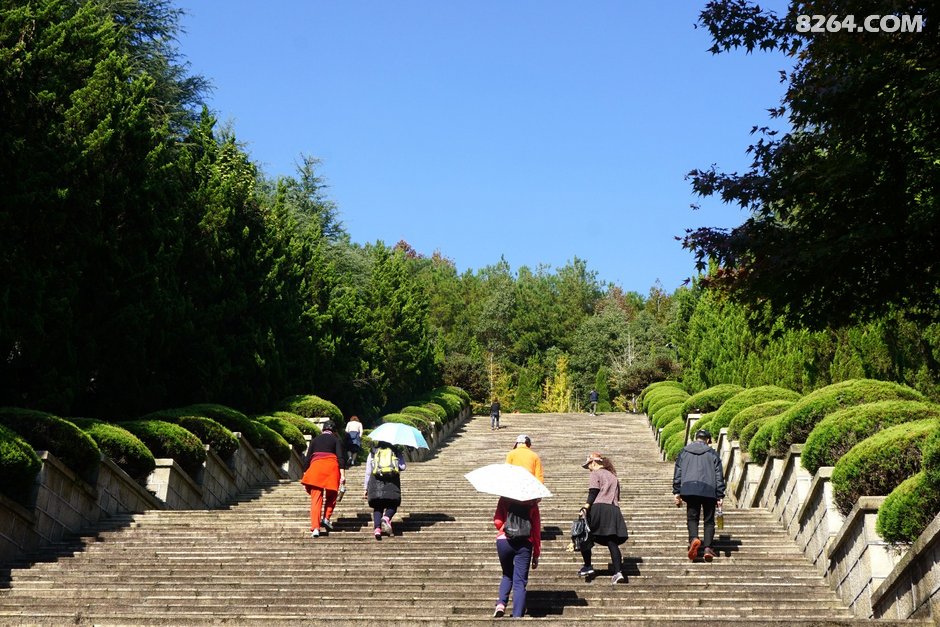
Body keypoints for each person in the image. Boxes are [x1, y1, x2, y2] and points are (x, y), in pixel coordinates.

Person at [673, 428, 726, 562]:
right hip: (709, 490)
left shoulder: (684, 452)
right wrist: (720, 495)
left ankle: (694, 539)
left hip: (689, 489)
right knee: (709, 520)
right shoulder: (713, 453)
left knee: (692, 518)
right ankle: (708, 548)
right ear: (708, 440)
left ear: (696, 438)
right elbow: (719, 475)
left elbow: (678, 472)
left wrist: (677, 491)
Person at [577, 452, 629, 584]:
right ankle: (618, 572)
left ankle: (588, 565)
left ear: (593, 463)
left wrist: (586, 506)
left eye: (589, 465)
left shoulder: (595, 473)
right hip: (613, 509)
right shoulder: (613, 476)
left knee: (585, 535)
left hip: (599, 507)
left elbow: (593, 491)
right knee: (611, 540)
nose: (589, 469)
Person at [492, 497, 541, 618]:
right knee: (519, 581)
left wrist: (506, 526)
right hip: (524, 543)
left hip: (504, 541)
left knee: (507, 574)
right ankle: (517, 616)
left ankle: (501, 605)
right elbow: (536, 530)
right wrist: (536, 554)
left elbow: (497, 522)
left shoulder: (504, 499)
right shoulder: (532, 503)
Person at [300, 420, 347, 537]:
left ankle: (315, 528)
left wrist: (305, 472)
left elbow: (307, 458)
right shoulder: (336, 440)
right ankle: (326, 518)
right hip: (331, 468)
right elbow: (340, 458)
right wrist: (343, 475)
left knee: (316, 499)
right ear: (334, 431)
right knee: (332, 495)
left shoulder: (315, 440)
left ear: (323, 430)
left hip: (316, 468)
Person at [364, 440, 407, 540]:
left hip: (376, 482)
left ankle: (377, 529)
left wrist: (366, 487)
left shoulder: (373, 451)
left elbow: (368, 471)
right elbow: (403, 466)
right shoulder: (396, 450)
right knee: (393, 504)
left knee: (378, 506)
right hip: (392, 482)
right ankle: (386, 518)